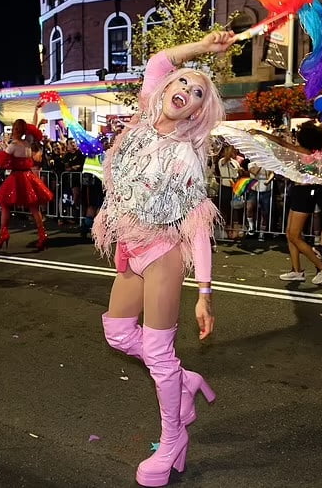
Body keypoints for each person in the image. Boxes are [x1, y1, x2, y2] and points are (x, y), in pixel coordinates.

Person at [93, 30, 233, 487]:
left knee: (156, 351)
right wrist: (204, 49)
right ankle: (183, 380)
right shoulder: (140, 120)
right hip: (129, 248)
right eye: (183, 83)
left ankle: (172, 441)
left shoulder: (186, 155)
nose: (186, 92)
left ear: (198, 110)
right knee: (117, 334)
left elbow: (198, 228)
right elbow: (160, 58)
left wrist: (205, 294)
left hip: (162, 253)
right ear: (166, 88)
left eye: (197, 94)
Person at [249, 122, 322, 286]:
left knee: (295, 235)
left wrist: (262, 133)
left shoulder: (304, 152)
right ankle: (296, 271)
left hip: (305, 194)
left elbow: (281, 143)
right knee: (290, 233)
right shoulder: (314, 153)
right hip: (299, 192)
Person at [0, 108, 53, 251]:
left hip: (16, 178)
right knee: (34, 207)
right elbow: (33, 129)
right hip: (28, 176)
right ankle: (42, 234)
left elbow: (1, 162)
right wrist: (37, 114)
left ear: (15, 130)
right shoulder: (28, 143)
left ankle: (3, 233)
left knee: (6, 205)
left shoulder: (13, 146)